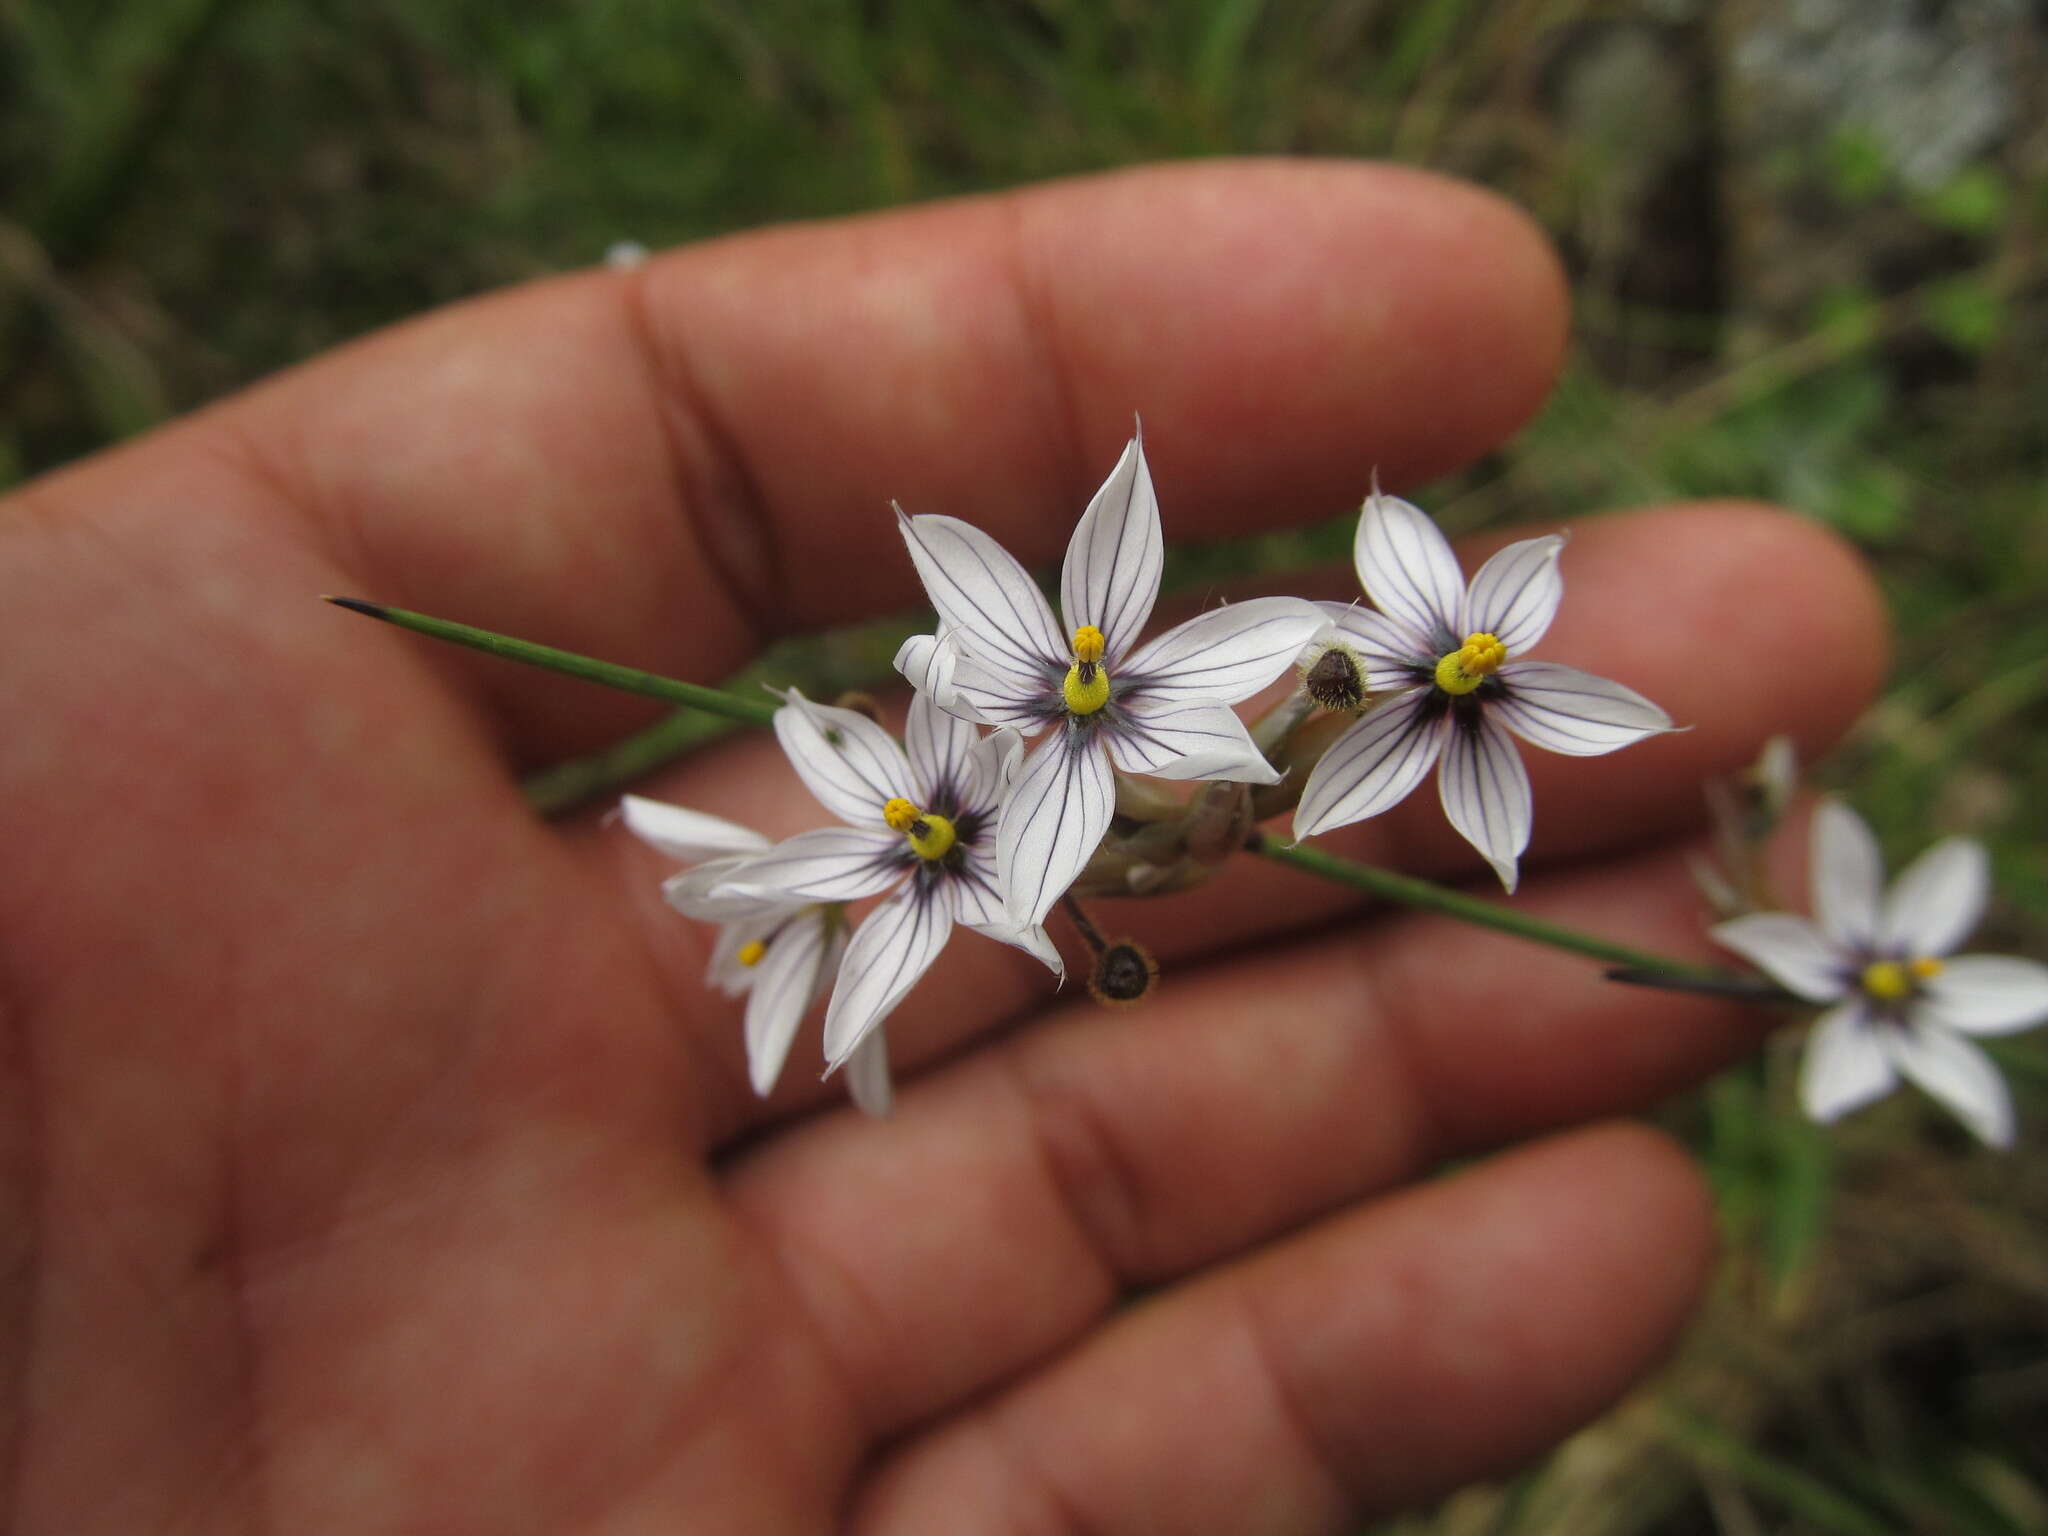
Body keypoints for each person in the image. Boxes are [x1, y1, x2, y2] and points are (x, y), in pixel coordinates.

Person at [0, 160, 1886, 1532]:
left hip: (1110, 777)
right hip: (1039, 812)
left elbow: (1146, 758)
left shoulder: (1207, 712)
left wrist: (1131, 814)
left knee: (1187, 734)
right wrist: (1055, 867)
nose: (1479, 647)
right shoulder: (991, 803)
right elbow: (1036, 820)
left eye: (1483, 642)